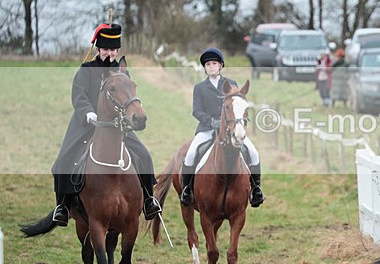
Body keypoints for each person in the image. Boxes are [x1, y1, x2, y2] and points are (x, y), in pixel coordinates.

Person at [50, 23, 162, 226]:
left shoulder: (121, 72)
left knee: (144, 155)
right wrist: (88, 113)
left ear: (117, 51)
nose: (109, 53)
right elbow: (78, 95)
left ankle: (148, 200)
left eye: (113, 50)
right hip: (87, 124)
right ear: (98, 50)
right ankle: (63, 207)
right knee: (63, 162)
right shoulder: (86, 69)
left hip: (117, 126)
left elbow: (129, 96)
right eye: (105, 49)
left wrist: (129, 115)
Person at [179, 48, 264, 207]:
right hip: (207, 129)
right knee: (191, 154)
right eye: (208, 64)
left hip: (231, 129)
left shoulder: (231, 84)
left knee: (253, 153)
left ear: (221, 66)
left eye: (214, 64)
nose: (211, 66)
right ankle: (187, 189)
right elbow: (196, 111)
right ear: (205, 68)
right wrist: (212, 122)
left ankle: (256, 189)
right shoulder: (200, 87)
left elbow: (238, 105)